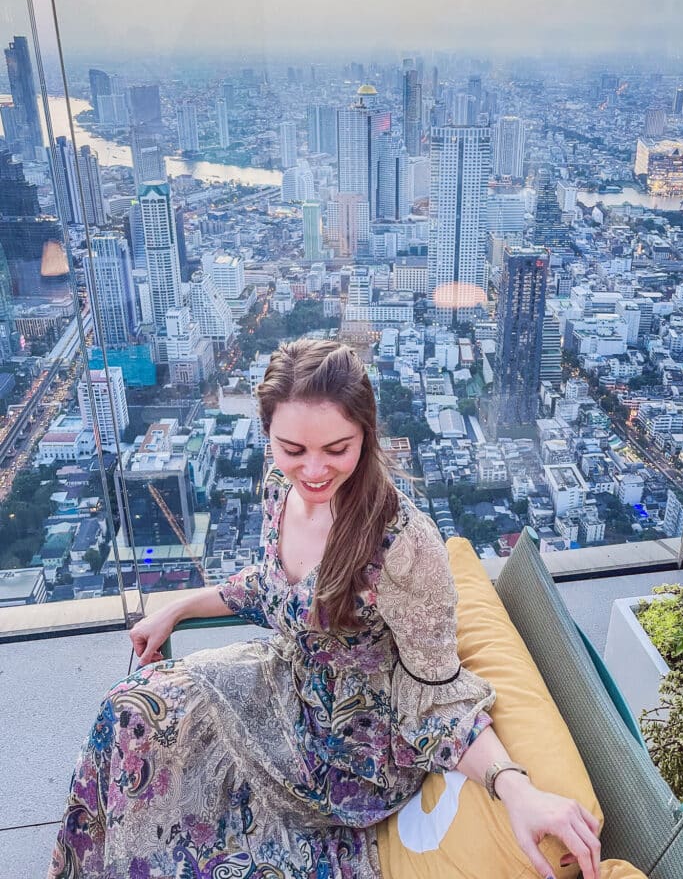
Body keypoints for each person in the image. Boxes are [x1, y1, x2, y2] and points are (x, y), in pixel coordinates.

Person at [49, 338, 601, 879]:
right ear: (269, 436)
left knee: (196, 834)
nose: (312, 470)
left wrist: (515, 786)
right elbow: (268, 587)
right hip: (279, 684)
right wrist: (178, 608)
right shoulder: (277, 488)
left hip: (347, 749)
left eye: (337, 449)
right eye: (292, 449)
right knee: (128, 710)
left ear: (366, 433)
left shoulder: (401, 545)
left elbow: (435, 690)